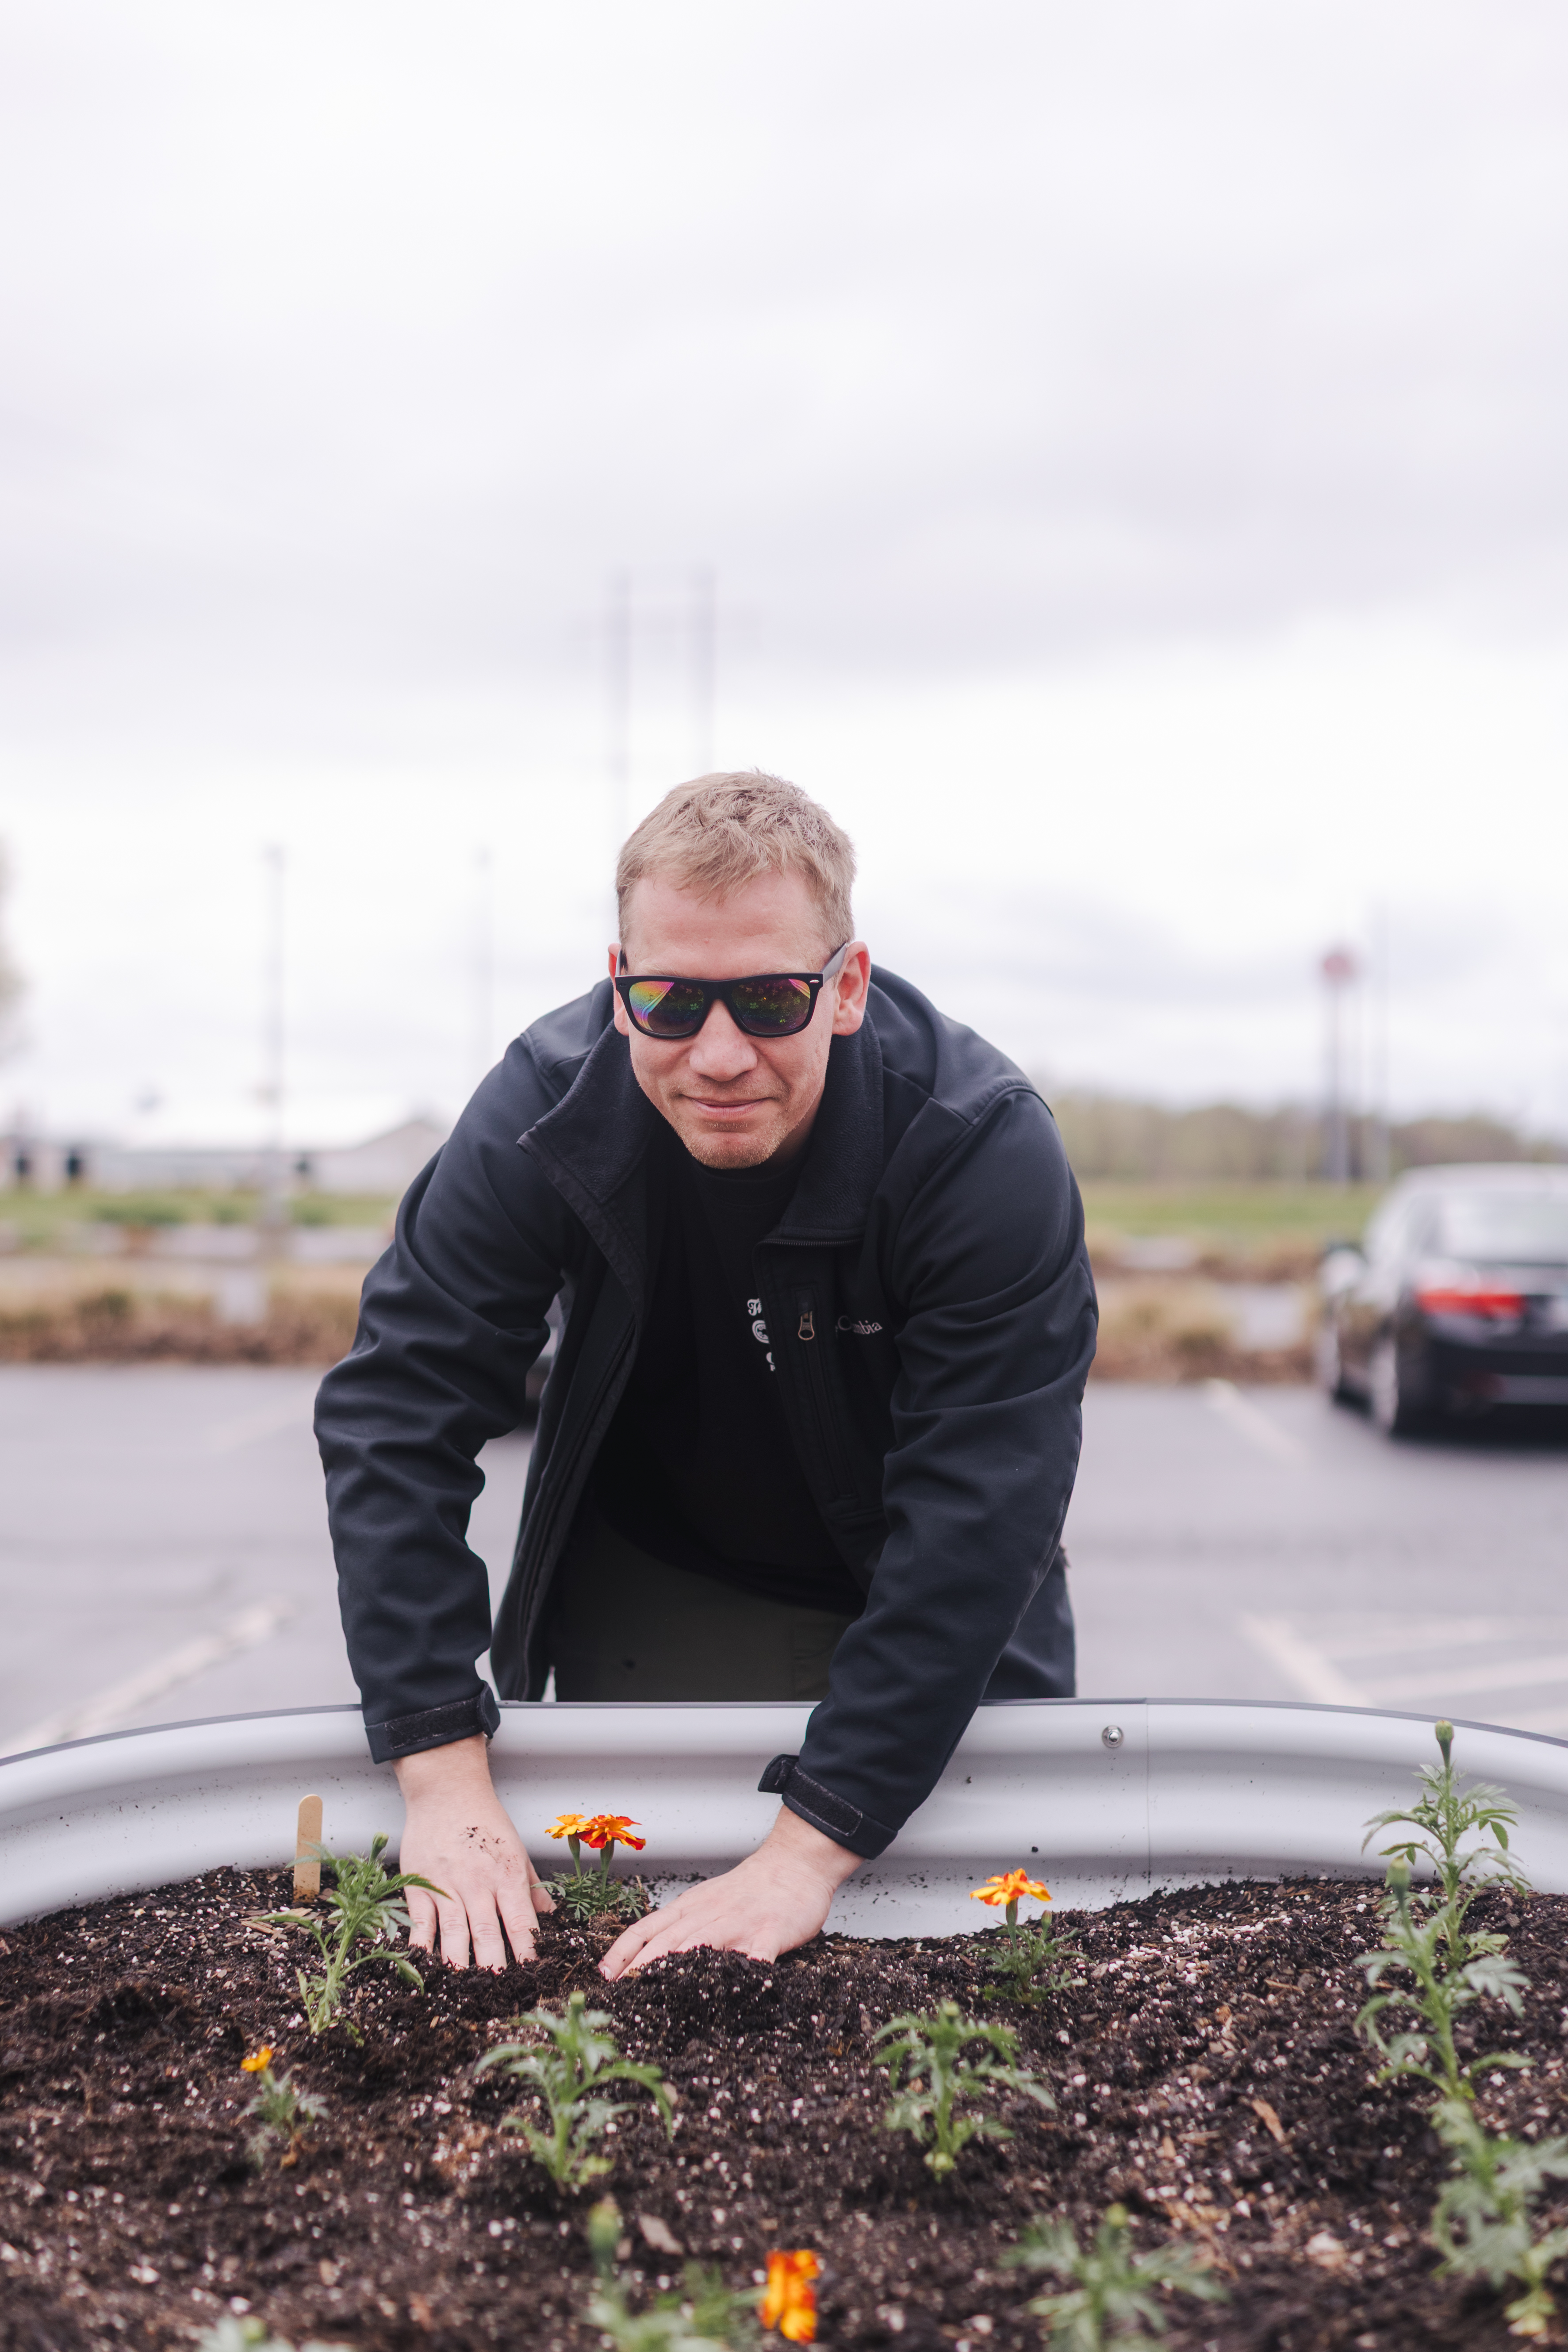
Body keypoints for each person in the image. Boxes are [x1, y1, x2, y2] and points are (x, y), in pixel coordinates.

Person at [315, 772, 1096, 1977]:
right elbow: (395, 1409)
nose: (719, 1055)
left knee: (974, 1959)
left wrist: (806, 1854)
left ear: (847, 987)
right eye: (670, 1001)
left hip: (919, 1577)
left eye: (771, 1000)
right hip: (662, 1561)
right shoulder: (543, 1111)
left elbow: (979, 1515)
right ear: (618, 984)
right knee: (632, 1932)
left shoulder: (976, 1147)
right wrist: (442, 1775)